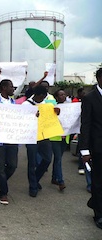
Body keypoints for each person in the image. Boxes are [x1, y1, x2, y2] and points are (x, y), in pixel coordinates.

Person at [22, 85, 57, 197]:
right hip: (31, 137)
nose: (42, 99)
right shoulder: (26, 105)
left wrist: (56, 112)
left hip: (44, 136)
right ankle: (33, 186)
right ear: (36, 95)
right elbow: (21, 119)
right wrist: (32, 117)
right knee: (32, 162)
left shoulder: (45, 105)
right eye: (41, 97)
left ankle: (36, 179)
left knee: (47, 159)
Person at [79, 68, 102, 229]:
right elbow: (85, 125)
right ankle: (99, 214)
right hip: (98, 147)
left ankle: (95, 202)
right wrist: (85, 150)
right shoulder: (90, 98)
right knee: (98, 182)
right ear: (99, 78)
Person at [0, 79, 18, 205]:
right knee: (0, 167)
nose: (14, 89)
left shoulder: (13, 102)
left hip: (12, 139)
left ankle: (1, 181)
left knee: (12, 165)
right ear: (4, 88)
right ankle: (3, 193)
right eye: (11, 87)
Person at [50, 89, 68, 191]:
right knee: (58, 158)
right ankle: (61, 181)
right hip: (55, 137)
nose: (63, 96)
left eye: (64, 94)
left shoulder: (69, 107)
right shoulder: (53, 107)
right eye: (60, 95)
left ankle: (54, 178)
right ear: (56, 97)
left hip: (65, 137)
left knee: (58, 158)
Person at [72, 87, 86, 175]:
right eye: (83, 93)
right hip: (81, 129)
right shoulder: (75, 102)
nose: (85, 94)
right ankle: (81, 166)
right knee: (83, 148)